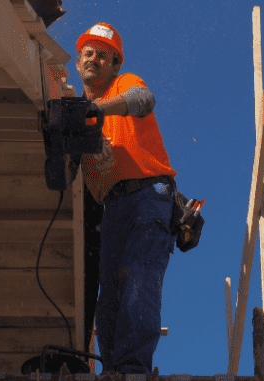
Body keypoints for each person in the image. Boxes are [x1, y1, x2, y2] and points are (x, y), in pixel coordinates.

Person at [71, 22, 176, 376]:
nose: (95, 59)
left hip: (148, 195)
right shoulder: (76, 113)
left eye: (104, 55)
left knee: (138, 277)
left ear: (115, 65)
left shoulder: (124, 84)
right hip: (113, 207)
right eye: (89, 53)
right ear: (78, 60)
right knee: (110, 298)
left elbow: (143, 100)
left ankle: (132, 369)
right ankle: (116, 369)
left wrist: (99, 110)